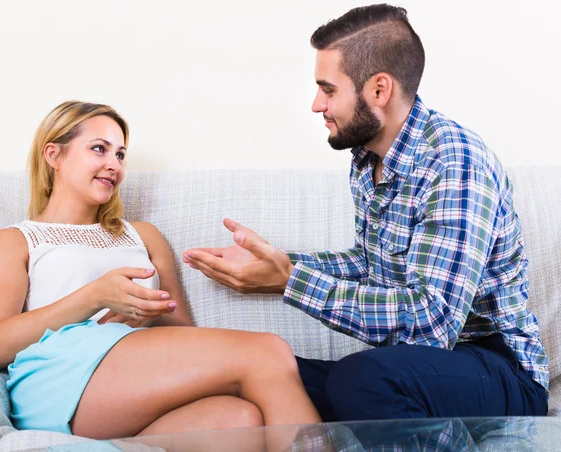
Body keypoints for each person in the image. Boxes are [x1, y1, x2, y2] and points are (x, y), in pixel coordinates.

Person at [183, 4, 549, 421]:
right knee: (269, 375)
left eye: (329, 89)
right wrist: (277, 264)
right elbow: (369, 262)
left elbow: (431, 325)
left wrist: (291, 282)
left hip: (500, 368)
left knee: (361, 380)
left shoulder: (454, 161)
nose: (317, 104)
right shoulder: (366, 159)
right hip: (417, 372)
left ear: (379, 89)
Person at [0, 101, 320, 440]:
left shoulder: (143, 235)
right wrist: (94, 296)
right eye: (99, 149)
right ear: (54, 155)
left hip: (134, 372)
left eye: (120, 155)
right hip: (60, 377)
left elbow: (179, 329)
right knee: (266, 352)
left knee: (239, 420)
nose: (114, 165)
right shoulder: (16, 240)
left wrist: (146, 317)